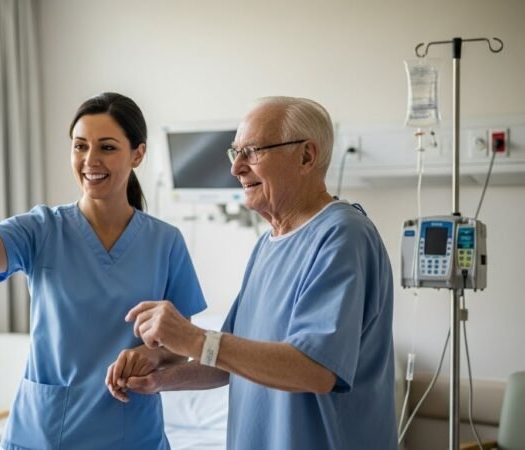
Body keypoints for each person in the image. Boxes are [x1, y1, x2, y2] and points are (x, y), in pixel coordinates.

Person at [0, 92, 206, 449]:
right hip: (44, 434)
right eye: (80, 146)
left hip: (132, 435)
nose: (90, 160)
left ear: (137, 154)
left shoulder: (165, 242)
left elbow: (181, 347)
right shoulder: (41, 229)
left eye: (107, 147)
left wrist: (150, 355)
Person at [108, 96, 397, 450]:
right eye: (235, 152)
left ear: (306, 155)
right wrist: (161, 380)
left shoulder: (343, 235)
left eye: (253, 151)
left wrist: (193, 338)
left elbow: (316, 369)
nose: (236, 168)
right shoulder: (268, 244)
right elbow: (228, 362)